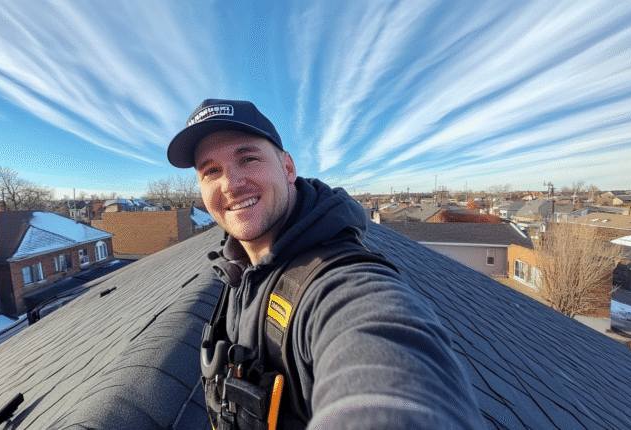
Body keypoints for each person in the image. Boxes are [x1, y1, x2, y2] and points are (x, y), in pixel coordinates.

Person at [167, 99, 484, 429]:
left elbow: (387, 363)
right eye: (211, 171)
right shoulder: (238, 268)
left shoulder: (341, 283)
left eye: (248, 158)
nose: (230, 184)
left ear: (288, 168)